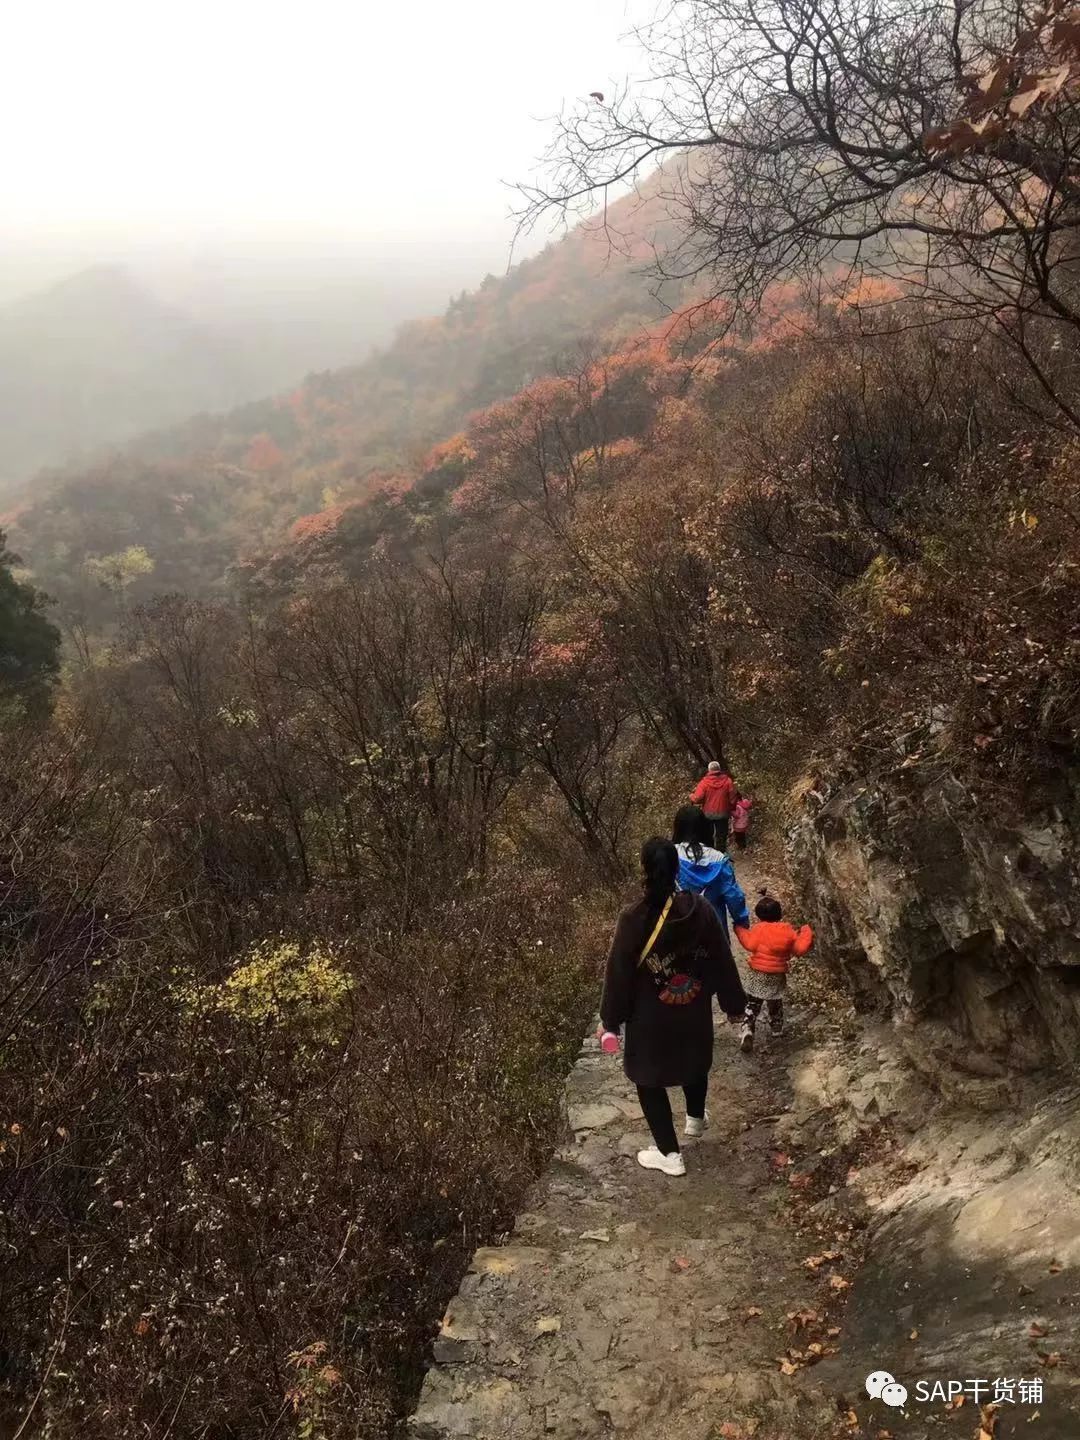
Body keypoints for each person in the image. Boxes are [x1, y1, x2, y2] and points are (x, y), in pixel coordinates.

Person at [600, 838, 747, 1176]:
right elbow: (722, 960)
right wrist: (733, 1004)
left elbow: (619, 971)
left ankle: (669, 1154)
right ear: (678, 868)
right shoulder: (701, 910)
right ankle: (695, 1118)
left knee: (648, 1080)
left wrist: (611, 1020)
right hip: (693, 1009)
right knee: (694, 1063)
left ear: (644, 870)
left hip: (650, 1017)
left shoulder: (633, 918)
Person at [734, 891, 814, 1053]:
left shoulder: (758, 930)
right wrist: (806, 931)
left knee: (753, 1003)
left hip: (757, 973)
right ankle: (776, 1029)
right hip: (776, 974)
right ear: (779, 914)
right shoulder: (788, 931)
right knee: (775, 1001)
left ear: (758, 915)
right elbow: (799, 949)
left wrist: (739, 929)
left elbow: (748, 943)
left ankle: (748, 1028)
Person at [671, 804, 750, 936]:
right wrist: (741, 923)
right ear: (704, 828)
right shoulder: (720, 860)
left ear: (678, 828)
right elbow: (733, 896)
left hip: (681, 931)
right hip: (714, 931)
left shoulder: (670, 855)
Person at [689, 760, 737, 850]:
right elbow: (733, 797)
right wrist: (731, 808)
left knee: (707, 835)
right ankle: (720, 854)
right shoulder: (728, 781)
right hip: (723, 812)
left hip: (708, 813)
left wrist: (691, 796)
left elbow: (697, 798)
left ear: (709, 770)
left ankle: (709, 853)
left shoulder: (704, 782)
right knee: (721, 836)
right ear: (719, 769)